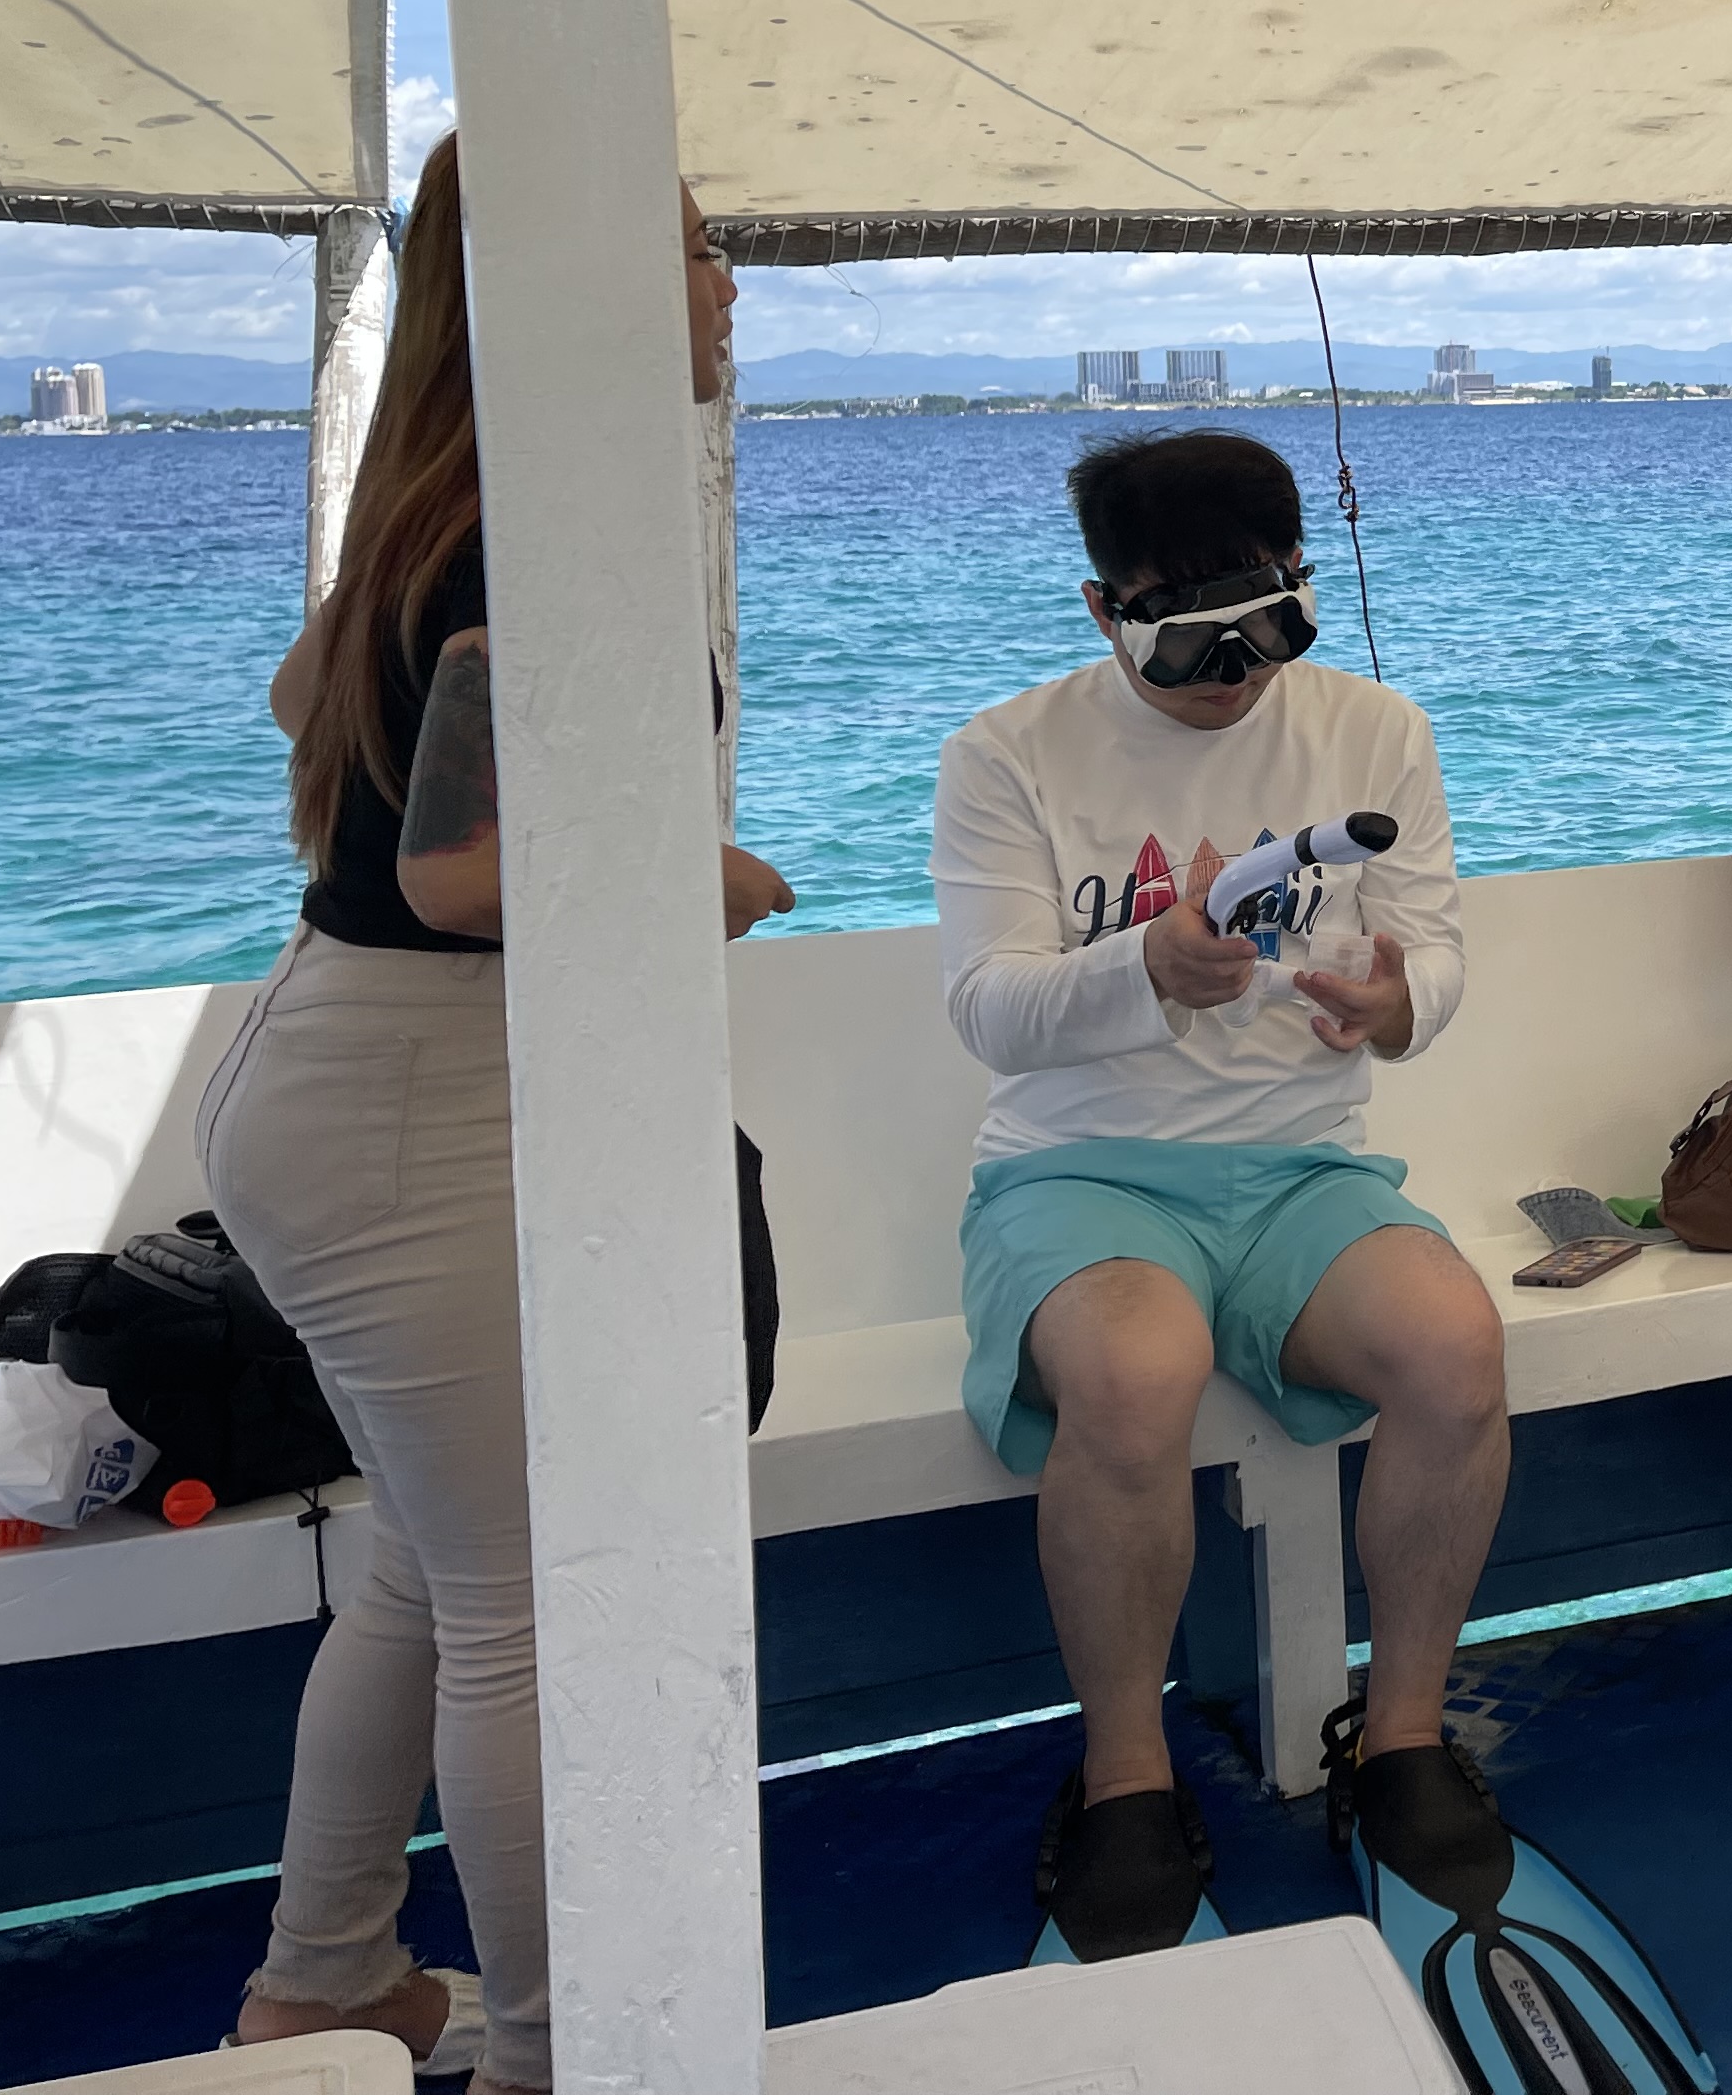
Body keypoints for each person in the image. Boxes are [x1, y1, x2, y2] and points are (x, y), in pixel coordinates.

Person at [217, 133, 795, 2095]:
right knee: (526, 1611)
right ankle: (560, 2052)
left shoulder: (443, 507)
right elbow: (462, 873)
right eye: (696, 250)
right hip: (418, 1104)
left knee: (423, 1570)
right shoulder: (534, 530)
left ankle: (326, 1983)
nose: (726, 286)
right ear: (586, 279)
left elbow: (305, 696)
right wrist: (698, 871)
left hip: (341, 1068)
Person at [930, 430, 1502, 1962]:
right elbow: (988, 1009)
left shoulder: (1375, 729)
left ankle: (1400, 1736)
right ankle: (1127, 1773)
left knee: (1455, 1346)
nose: (1234, 676)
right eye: (1187, 643)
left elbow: (1436, 949)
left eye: (1268, 627)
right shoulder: (1006, 752)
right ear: (1101, 608)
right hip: (1078, 1173)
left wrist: (1400, 1003)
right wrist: (1143, 971)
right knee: (1135, 1367)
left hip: (1303, 1168)